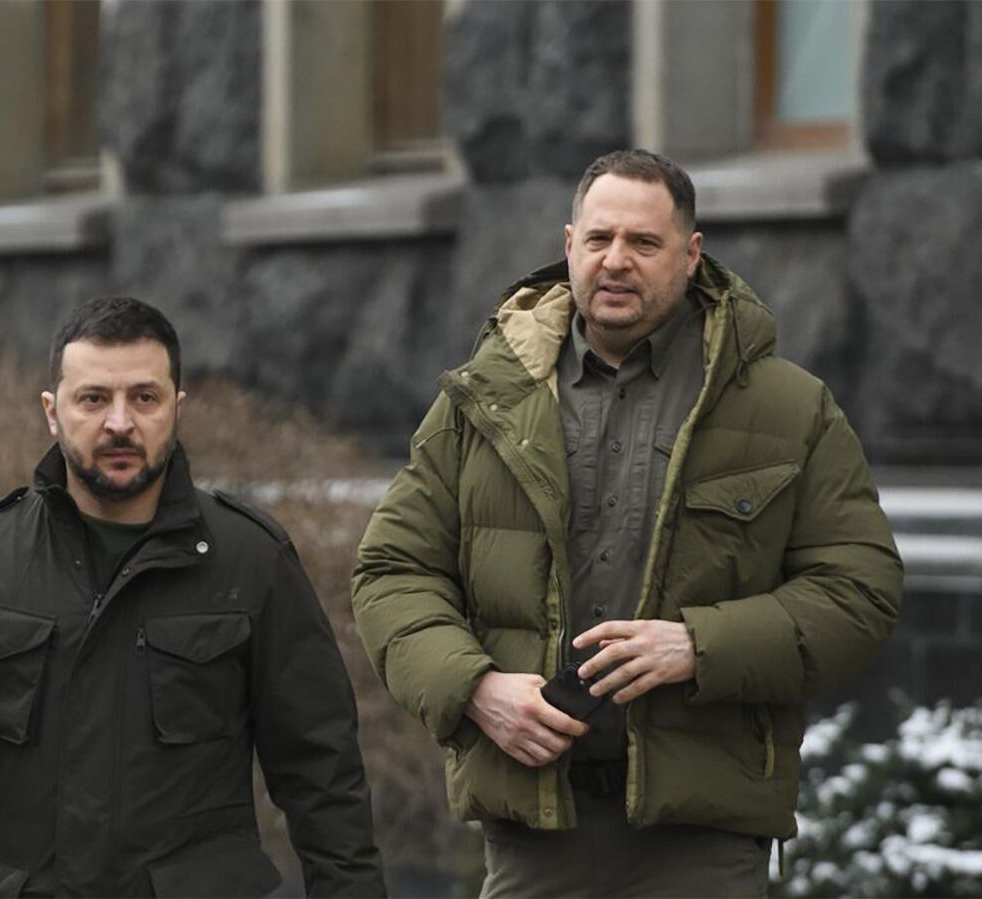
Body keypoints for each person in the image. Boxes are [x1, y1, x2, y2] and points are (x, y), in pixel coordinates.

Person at [351, 149, 902, 897]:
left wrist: (698, 645)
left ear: (691, 254)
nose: (617, 260)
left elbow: (860, 590)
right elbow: (392, 571)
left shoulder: (788, 407)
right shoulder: (482, 401)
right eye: (600, 238)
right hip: (536, 830)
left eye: (644, 242)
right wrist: (476, 688)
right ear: (569, 244)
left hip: (703, 840)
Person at [0, 296, 386, 899]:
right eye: (93, 399)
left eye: (144, 398)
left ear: (176, 408)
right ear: (52, 412)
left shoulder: (252, 561)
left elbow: (323, 767)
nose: (119, 423)